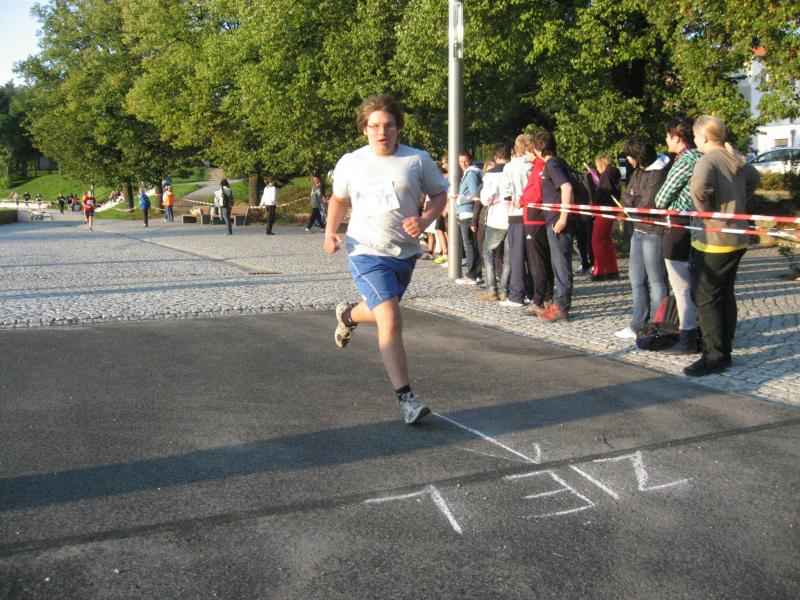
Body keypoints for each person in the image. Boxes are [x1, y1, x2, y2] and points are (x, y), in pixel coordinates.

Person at [324, 94, 448, 424]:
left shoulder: (417, 159)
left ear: (398, 127)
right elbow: (338, 199)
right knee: (390, 318)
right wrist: (330, 232)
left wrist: (425, 220)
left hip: (404, 253)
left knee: (381, 309)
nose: (382, 132)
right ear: (364, 129)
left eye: (389, 126)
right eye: (375, 126)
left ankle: (348, 315)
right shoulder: (351, 162)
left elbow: (439, 194)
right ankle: (407, 400)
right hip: (365, 250)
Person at [684, 115, 760, 376]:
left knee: (706, 298)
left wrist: (706, 213)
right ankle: (724, 350)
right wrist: (738, 203)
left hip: (714, 240)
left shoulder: (708, 160)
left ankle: (713, 356)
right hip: (737, 237)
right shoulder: (735, 157)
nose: (695, 141)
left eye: (695, 137)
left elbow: (698, 188)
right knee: (725, 294)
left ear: (704, 137)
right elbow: (755, 178)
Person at [654, 115, 702, 354]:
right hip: (698, 226)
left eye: (667, 136)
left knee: (681, 285)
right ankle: (697, 331)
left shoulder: (685, 160)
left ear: (677, 137)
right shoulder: (702, 156)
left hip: (679, 226)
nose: (666, 139)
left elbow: (661, 198)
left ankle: (687, 336)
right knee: (695, 283)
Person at [615, 135, 670, 339]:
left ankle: (657, 326)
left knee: (657, 281)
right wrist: (632, 200)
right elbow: (626, 195)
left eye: (630, 156)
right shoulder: (638, 171)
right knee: (636, 279)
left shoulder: (658, 172)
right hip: (638, 229)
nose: (628, 160)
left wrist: (632, 200)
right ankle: (637, 324)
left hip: (654, 232)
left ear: (639, 157)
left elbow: (648, 203)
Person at [531, 130, 573, 322]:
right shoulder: (558, 162)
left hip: (557, 221)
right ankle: (559, 304)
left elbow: (566, 187)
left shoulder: (552, 164)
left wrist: (563, 218)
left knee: (560, 264)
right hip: (555, 219)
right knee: (559, 264)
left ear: (539, 148)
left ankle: (561, 307)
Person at [520, 139, 555, 315]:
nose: (525, 155)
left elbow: (536, 192)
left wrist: (522, 200)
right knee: (544, 260)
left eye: (527, 151)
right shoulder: (539, 166)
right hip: (538, 217)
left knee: (537, 262)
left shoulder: (540, 167)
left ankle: (539, 300)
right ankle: (547, 297)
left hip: (535, 218)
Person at [500, 134, 533, 308]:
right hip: (534, 215)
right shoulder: (535, 166)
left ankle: (517, 294)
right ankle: (534, 293)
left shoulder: (510, 167)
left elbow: (505, 192)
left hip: (516, 214)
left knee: (517, 256)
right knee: (533, 256)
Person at [475, 145, 511, 302]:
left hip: (496, 218)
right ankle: (505, 290)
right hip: (513, 217)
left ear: (496, 158)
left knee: (488, 253)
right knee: (509, 257)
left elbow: (485, 199)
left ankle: (492, 290)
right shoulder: (513, 170)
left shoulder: (491, 175)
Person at [590, 155, 621, 282]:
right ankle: (611, 270)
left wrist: (594, 198)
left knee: (597, 240)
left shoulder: (607, 175)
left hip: (604, 209)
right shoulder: (615, 173)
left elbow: (603, 192)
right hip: (612, 209)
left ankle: (600, 270)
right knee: (606, 240)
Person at [454, 152, 483, 284]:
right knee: (472, 245)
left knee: (469, 246)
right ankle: (476, 274)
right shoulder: (470, 173)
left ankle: (472, 275)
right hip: (467, 212)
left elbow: (474, 194)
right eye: (461, 162)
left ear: (470, 160)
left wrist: (459, 200)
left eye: (465, 161)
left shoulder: (471, 174)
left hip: (468, 213)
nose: (463, 164)